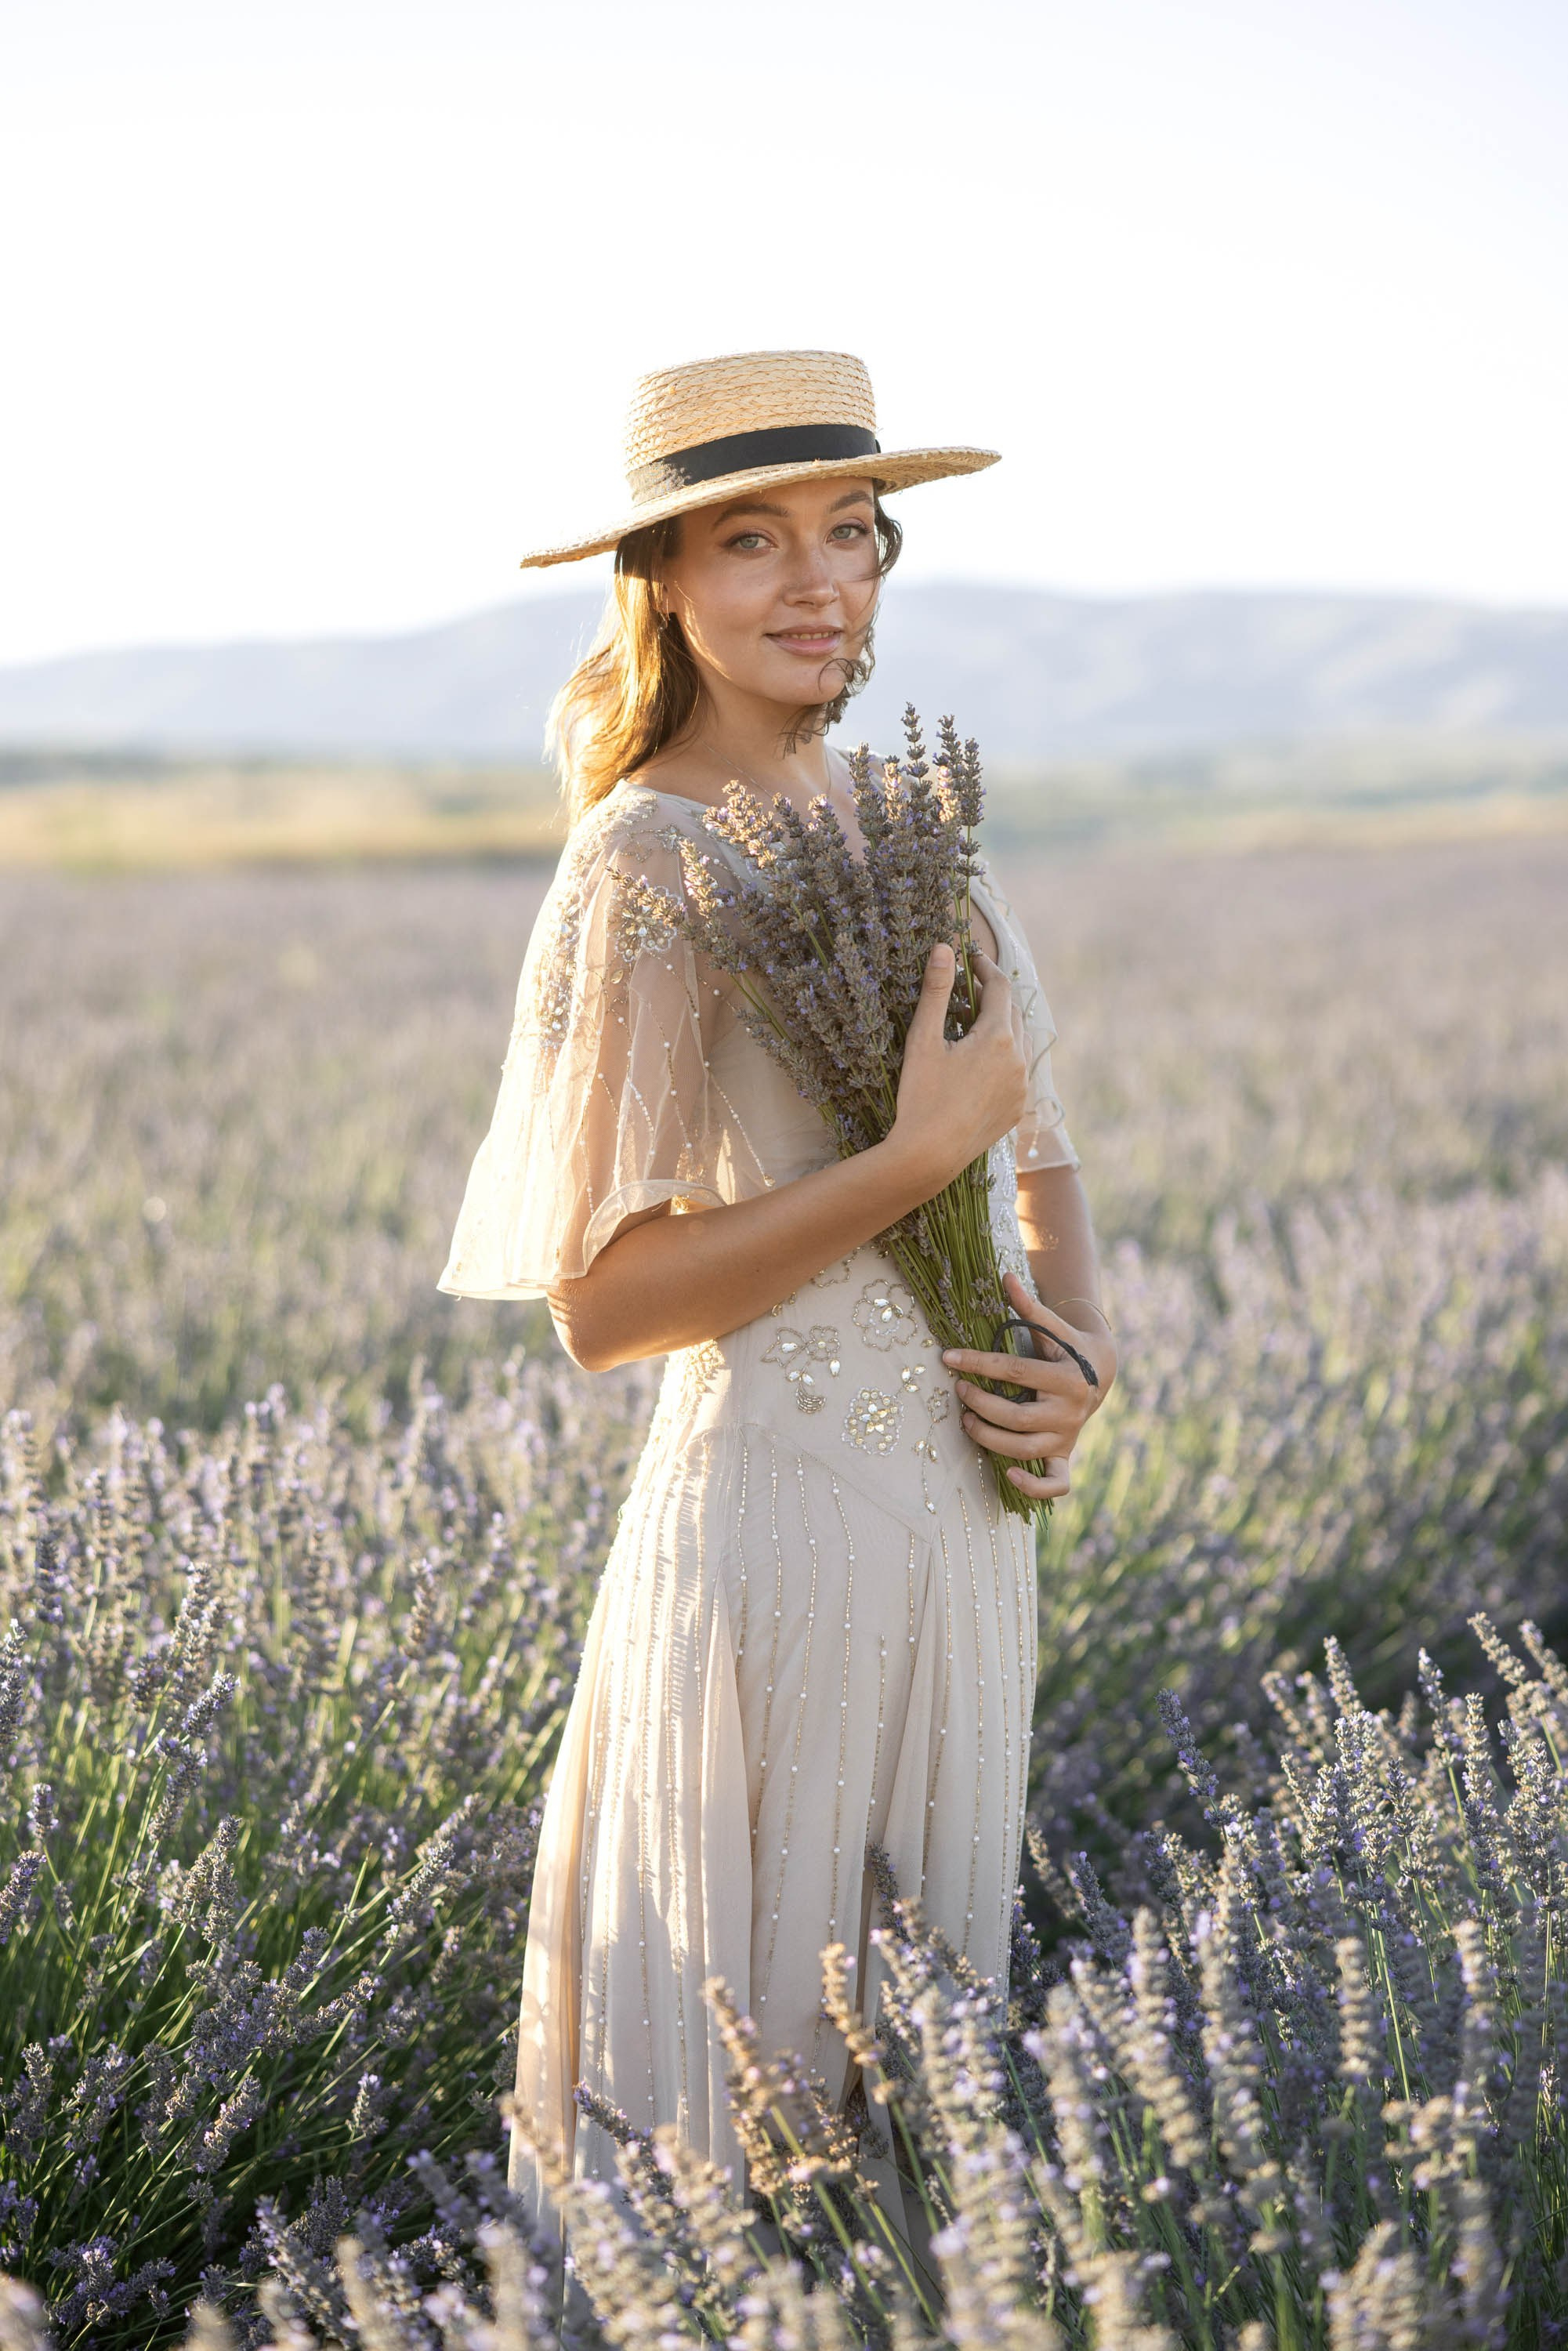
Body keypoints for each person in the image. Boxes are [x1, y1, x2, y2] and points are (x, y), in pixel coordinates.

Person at [438, 348, 1116, 2248]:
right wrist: (902, 1171)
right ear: (660, 578)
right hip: (780, 1541)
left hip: (964, 1539)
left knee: (904, 2094)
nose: (817, 582)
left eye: (848, 533)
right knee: (746, 2103)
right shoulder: (641, 860)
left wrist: (1079, 1357)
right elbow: (606, 1305)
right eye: (752, 541)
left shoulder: (904, 820)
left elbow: (1038, 1152)